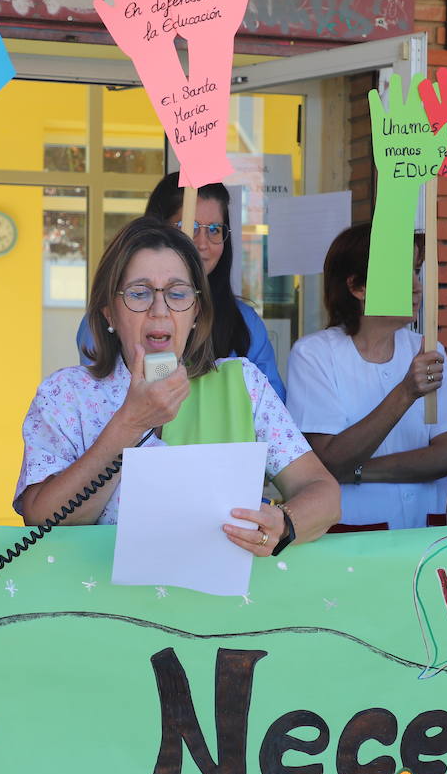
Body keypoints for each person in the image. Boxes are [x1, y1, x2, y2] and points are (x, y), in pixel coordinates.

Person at [19, 217, 337, 550]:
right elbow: (41, 518)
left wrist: (284, 524)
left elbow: (323, 492)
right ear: (109, 314)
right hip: (102, 602)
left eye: (177, 293)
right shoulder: (66, 393)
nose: (160, 310)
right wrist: (130, 424)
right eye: (139, 293)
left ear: (196, 310)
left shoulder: (242, 384)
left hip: (218, 599)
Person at [285, 223, 447, 529]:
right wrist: (405, 393)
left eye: (416, 271)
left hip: (426, 530)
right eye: (401, 272)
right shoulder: (314, 354)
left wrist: (359, 471)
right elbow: (330, 460)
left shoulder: (428, 348)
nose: (417, 286)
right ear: (357, 287)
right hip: (355, 535)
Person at [76, 173, 286, 401]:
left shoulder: (245, 322)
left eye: (214, 229)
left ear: (197, 313)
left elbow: (273, 412)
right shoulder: (106, 320)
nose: (202, 244)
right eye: (190, 226)